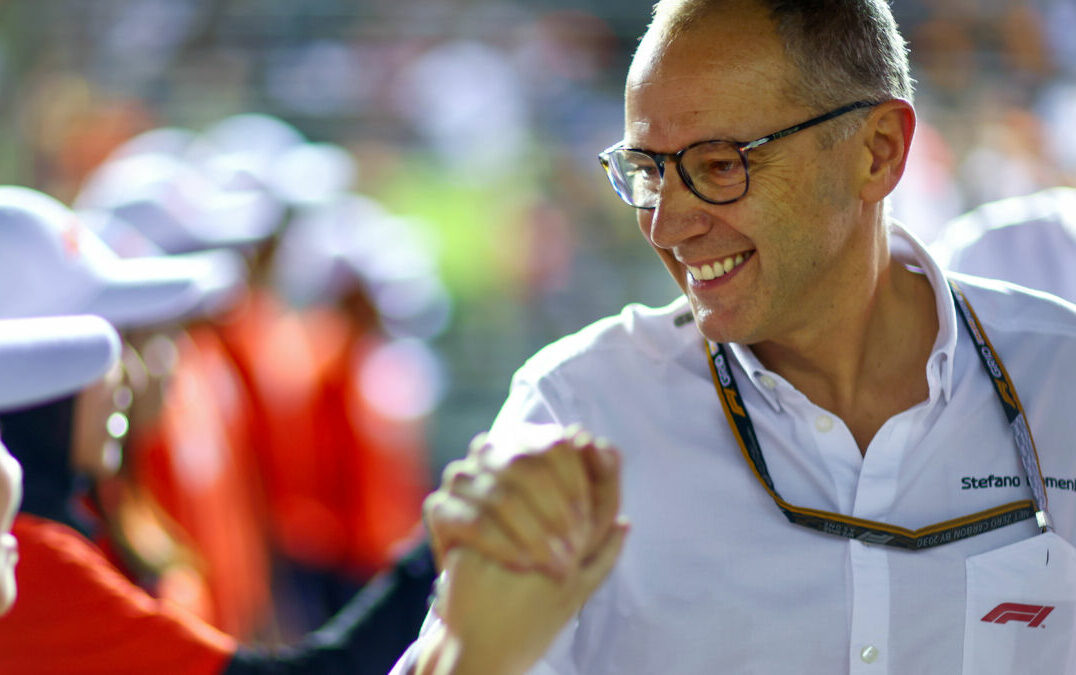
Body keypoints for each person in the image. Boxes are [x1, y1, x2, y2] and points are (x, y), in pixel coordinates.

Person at [397, 1, 1076, 673]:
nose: (666, 225)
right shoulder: (580, 411)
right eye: (648, 170)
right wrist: (469, 653)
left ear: (879, 152)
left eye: (720, 165)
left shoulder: (1062, 379)